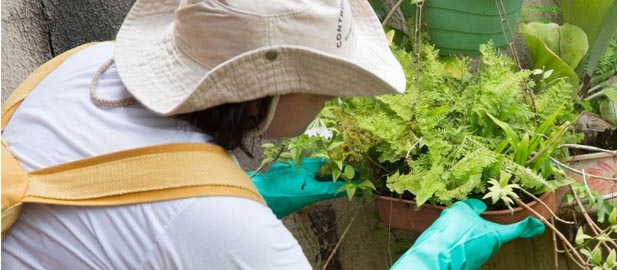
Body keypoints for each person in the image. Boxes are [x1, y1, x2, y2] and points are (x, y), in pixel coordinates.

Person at [1, 0, 544, 269]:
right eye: (326, 87)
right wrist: (439, 255)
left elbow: (124, 207)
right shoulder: (231, 233)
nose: (336, 100)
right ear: (269, 93)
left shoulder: (85, 66)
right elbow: (184, 224)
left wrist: (254, 192)